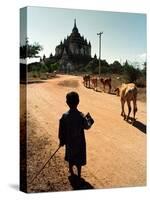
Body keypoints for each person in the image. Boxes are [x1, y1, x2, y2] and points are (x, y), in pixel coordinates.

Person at [58, 91, 94, 178]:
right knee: (79, 158)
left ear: (67, 102)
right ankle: (79, 174)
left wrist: (61, 140)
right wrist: (90, 120)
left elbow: (61, 130)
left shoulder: (64, 116)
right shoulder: (81, 116)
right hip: (79, 143)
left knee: (70, 156)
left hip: (69, 142)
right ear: (78, 102)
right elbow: (87, 127)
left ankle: (70, 170)